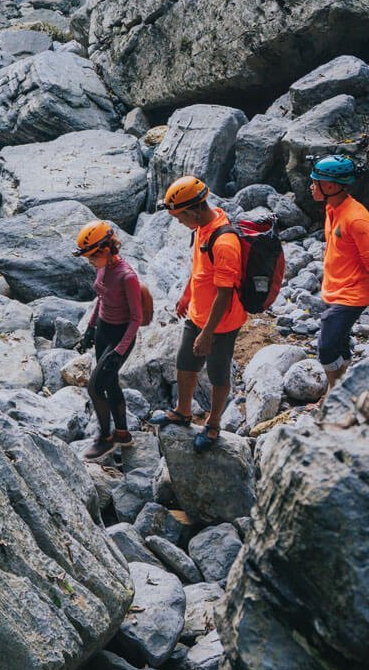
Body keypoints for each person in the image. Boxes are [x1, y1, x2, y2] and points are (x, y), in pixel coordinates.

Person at [150, 176, 247, 451]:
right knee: (185, 362)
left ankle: (213, 424)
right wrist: (186, 295)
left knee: (217, 372)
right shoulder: (202, 227)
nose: (179, 222)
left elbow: (224, 293)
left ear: (193, 211)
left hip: (221, 322)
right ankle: (183, 411)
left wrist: (208, 333)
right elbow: (200, 271)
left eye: (180, 217)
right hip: (198, 313)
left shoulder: (224, 242)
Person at [310, 155, 369, 404]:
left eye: (315, 181)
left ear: (330, 186)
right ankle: (343, 384)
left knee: (327, 345)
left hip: (351, 293)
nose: (311, 186)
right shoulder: (332, 208)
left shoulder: (356, 218)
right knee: (339, 341)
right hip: (334, 287)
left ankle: (334, 389)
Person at [73, 220, 146, 462]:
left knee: (95, 387)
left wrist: (119, 351)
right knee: (110, 383)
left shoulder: (127, 277)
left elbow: (137, 319)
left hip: (120, 335)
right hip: (104, 329)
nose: (90, 262)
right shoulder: (102, 268)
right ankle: (123, 434)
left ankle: (104, 439)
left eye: (92, 257)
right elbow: (101, 298)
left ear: (105, 250)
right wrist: (91, 328)